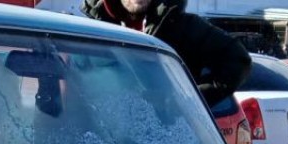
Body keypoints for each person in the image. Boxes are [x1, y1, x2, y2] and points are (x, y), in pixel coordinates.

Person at [81, 0, 251, 106]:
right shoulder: (90, 31)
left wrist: (186, 100)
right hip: (107, 139)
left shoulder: (184, 27)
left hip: (169, 139)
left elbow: (238, 60)